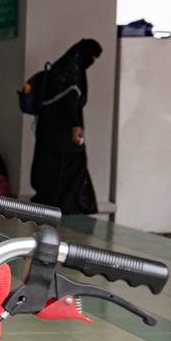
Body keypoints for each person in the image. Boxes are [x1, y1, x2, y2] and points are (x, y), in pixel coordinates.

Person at [31, 38, 103, 214]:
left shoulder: (59, 69)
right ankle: (69, 204)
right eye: (92, 57)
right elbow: (70, 102)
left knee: (52, 168)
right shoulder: (71, 72)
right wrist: (76, 127)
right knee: (72, 166)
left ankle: (54, 202)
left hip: (48, 133)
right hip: (63, 135)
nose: (92, 61)